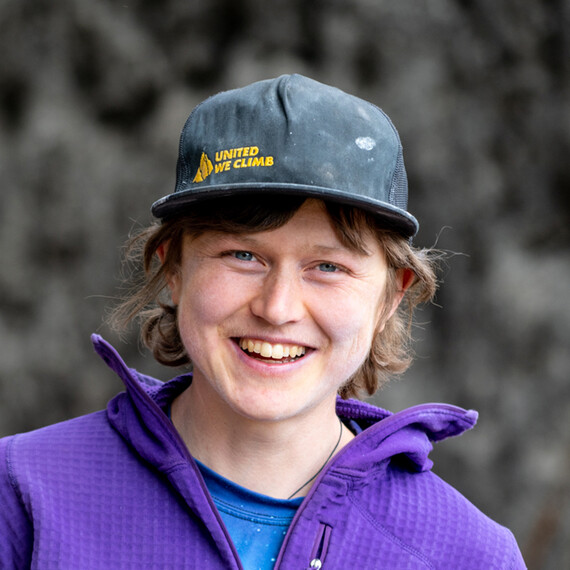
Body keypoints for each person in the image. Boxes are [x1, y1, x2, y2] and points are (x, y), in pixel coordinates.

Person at [0, 74, 526, 569]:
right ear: (173, 269)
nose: (277, 309)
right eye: (242, 256)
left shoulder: (469, 555)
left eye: (328, 267)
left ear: (391, 296)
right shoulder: (23, 492)